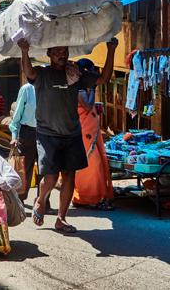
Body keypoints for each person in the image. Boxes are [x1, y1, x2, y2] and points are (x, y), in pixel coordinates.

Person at [17, 37, 118, 233]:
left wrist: (111, 49)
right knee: (52, 175)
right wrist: (24, 51)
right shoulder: (42, 74)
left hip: (72, 134)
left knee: (69, 176)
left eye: (65, 51)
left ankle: (61, 219)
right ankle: (40, 199)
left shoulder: (75, 74)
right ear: (48, 54)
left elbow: (103, 79)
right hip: (48, 134)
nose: (62, 54)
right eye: (57, 51)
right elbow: (28, 71)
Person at [72, 58, 114, 210]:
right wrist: (94, 89)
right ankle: (86, 198)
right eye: (92, 71)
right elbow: (88, 105)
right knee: (91, 165)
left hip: (91, 131)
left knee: (98, 164)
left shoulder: (85, 87)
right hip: (83, 133)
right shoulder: (78, 87)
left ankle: (96, 197)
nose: (95, 74)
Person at [9, 83, 37, 202]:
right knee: (25, 169)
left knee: (46, 169)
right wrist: (14, 136)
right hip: (28, 133)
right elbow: (17, 115)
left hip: (47, 132)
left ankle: (43, 202)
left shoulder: (50, 87)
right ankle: (19, 200)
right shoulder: (27, 89)